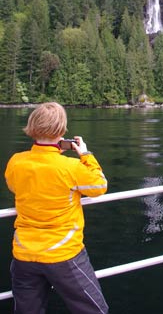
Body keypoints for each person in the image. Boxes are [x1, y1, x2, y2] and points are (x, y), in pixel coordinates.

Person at [5, 102, 109, 314]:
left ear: (32, 127)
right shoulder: (70, 167)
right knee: (95, 310)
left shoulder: (16, 162)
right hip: (63, 254)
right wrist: (86, 155)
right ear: (62, 131)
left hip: (23, 254)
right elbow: (100, 186)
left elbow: (14, 186)